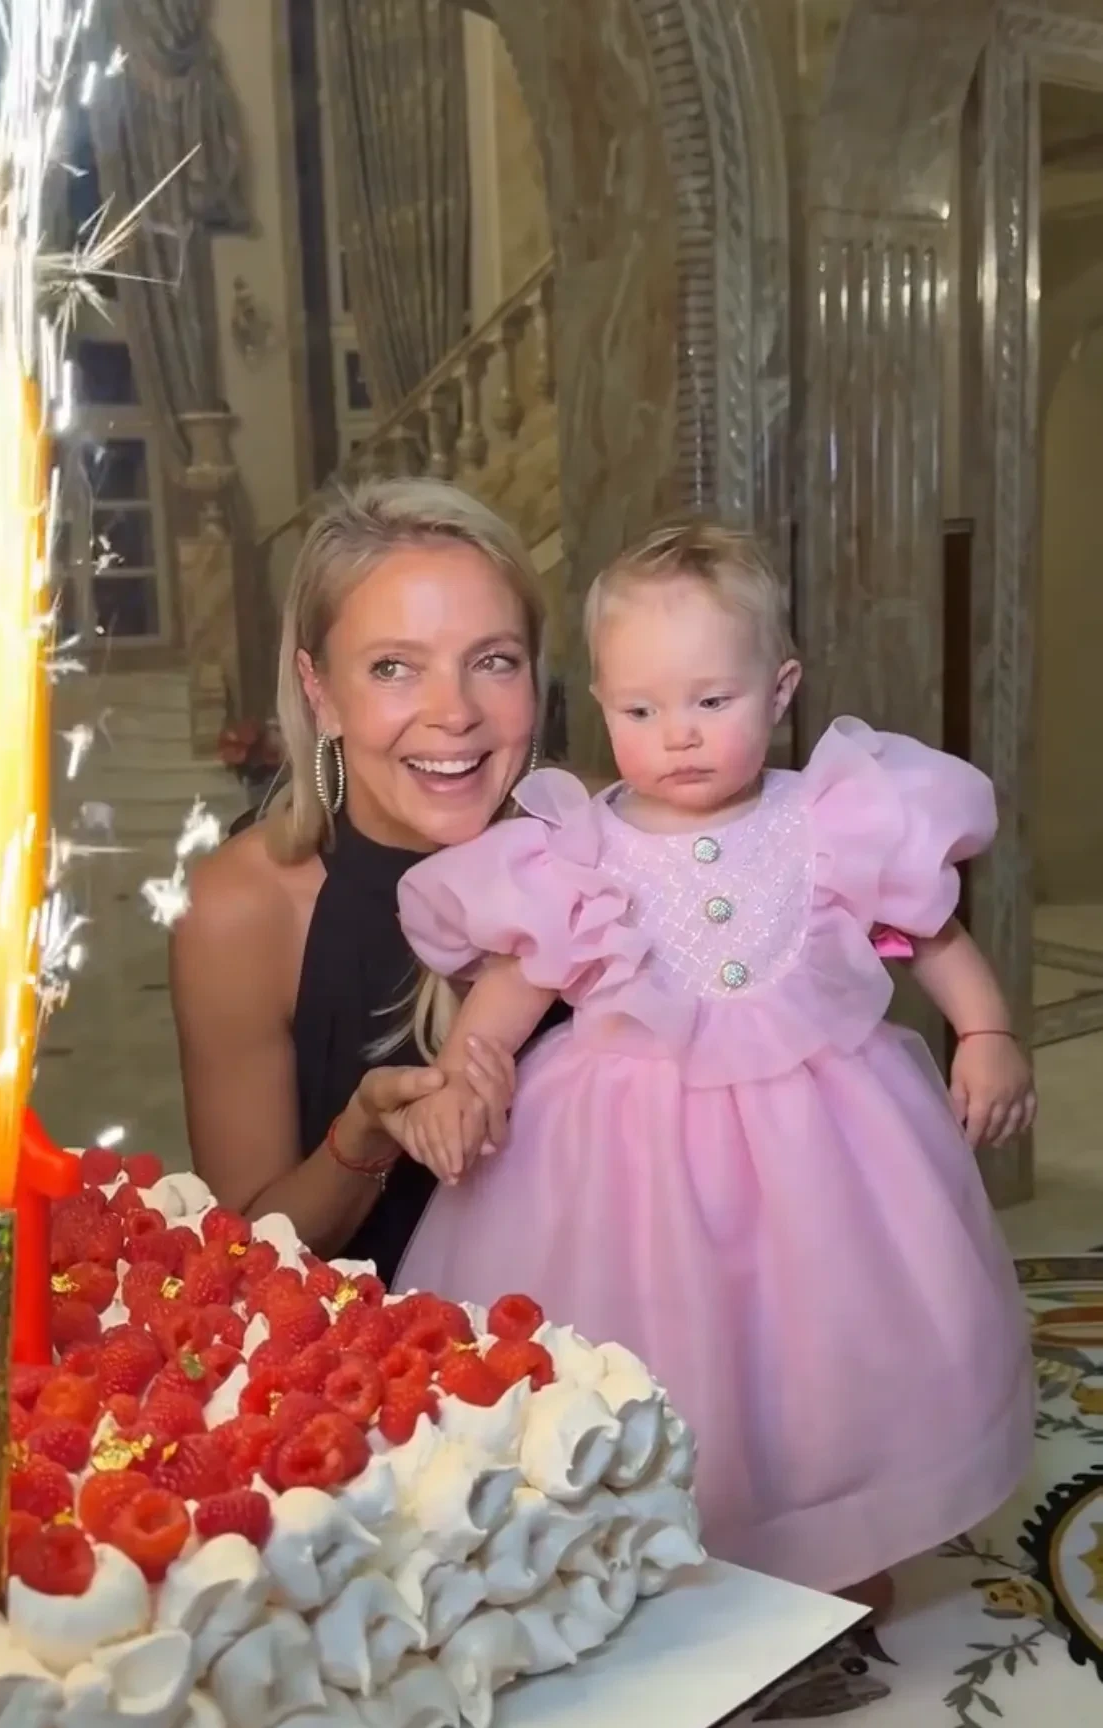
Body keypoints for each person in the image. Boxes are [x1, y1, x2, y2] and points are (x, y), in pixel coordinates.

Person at [391, 518, 1036, 1608]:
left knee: (823, 1341)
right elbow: (515, 986)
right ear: (600, 704)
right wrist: (466, 1071)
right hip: (627, 1158)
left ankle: (841, 1534)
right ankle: (658, 1543)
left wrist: (987, 1032)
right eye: (640, 711)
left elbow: (926, 931)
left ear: (779, 690)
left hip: (820, 1144)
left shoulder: (828, 818)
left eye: (710, 701)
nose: (677, 736)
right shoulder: (580, 849)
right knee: (654, 1344)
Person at [169, 476, 557, 1283]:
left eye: (493, 661)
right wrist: (364, 1137)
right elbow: (237, 1266)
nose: (455, 712)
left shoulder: (609, 847)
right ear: (320, 693)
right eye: (393, 668)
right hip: (383, 1360)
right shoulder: (246, 911)